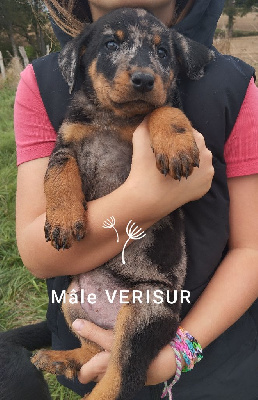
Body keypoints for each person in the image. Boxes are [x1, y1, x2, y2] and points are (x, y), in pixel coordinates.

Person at [14, 0, 258, 399]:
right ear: (82, 57)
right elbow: (39, 254)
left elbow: (253, 249)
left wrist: (174, 354)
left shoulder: (231, 86)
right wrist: (146, 198)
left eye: (161, 53)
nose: (143, 71)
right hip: (86, 310)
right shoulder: (42, 85)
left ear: (178, 62)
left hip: (215, 357)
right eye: (111, 45)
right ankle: (86, 353)